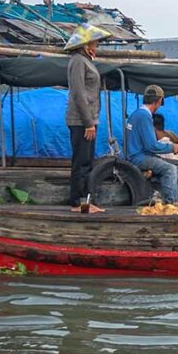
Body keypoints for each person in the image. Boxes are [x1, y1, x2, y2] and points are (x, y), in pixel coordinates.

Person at [64, 23, 110, 213]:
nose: (96, 46)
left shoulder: (86, 61)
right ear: (85, 45)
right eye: (95, 43)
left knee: (87, 162)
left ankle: (86, 202)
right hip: (81, 121)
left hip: (89, 120)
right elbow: (79, 94)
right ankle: (77, 202)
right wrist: (88, 123)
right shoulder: (77, 61)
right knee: (81, 162)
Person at [126, 85, 178, 203]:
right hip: (138, 157)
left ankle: (154, 179)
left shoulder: (138, 114)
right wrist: (172, 147)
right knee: (170, 169)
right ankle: (172, 202)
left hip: (143, 156)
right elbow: (151, 146)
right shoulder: (143, 116)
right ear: (159, 101)